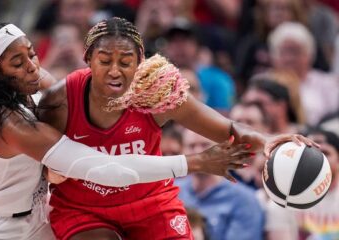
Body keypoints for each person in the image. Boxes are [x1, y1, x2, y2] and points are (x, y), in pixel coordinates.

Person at [0, 20, 254, 240]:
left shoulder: (36, 85)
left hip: (33, 217)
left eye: (32, 54)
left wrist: (266, 142)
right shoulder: (6, 122)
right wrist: (196, 162)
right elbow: (105, 169)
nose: (32, 66)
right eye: (17, 63)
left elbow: (79, 86)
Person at [38, 17, 316, 240]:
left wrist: (266, 140)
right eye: (104, 61)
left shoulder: (156, 91)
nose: (114, 71)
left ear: (140, 61)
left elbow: (227, 127)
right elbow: (44, 167)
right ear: (87, 58)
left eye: (125, 62)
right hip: (85, 210)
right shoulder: (60, 100)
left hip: (150, 203)